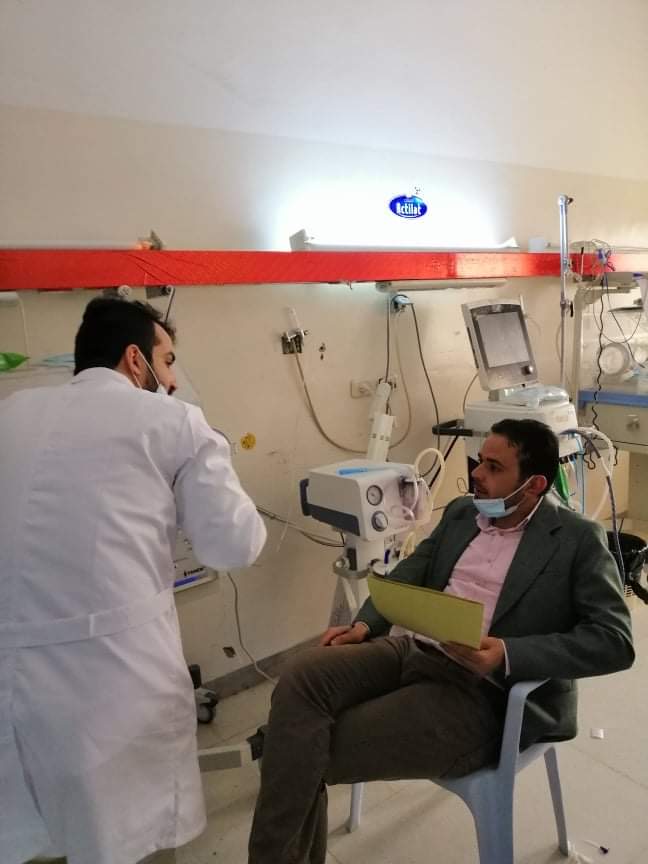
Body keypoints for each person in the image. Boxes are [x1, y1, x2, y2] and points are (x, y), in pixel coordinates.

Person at [248, 418, 634, 864]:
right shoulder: (461, 513)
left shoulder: (577, 540)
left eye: (494, 467)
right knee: (301, 678)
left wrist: (507, 654)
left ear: (534, 485)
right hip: (413, 648)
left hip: (480, 691)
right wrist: (365, 625)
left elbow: (614, 640)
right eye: (479, 461)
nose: (477, 474)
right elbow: (411, 572)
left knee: (302, 749)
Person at [0, 297, 267, 864]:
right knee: (124, 839)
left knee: (31, 832)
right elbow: (235, 545)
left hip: (13, 689)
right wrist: (210, 446)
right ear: (134, 358)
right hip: (110, 688)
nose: (173, 380)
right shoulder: (174, 421)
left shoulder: (11, 413)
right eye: (167, 361)